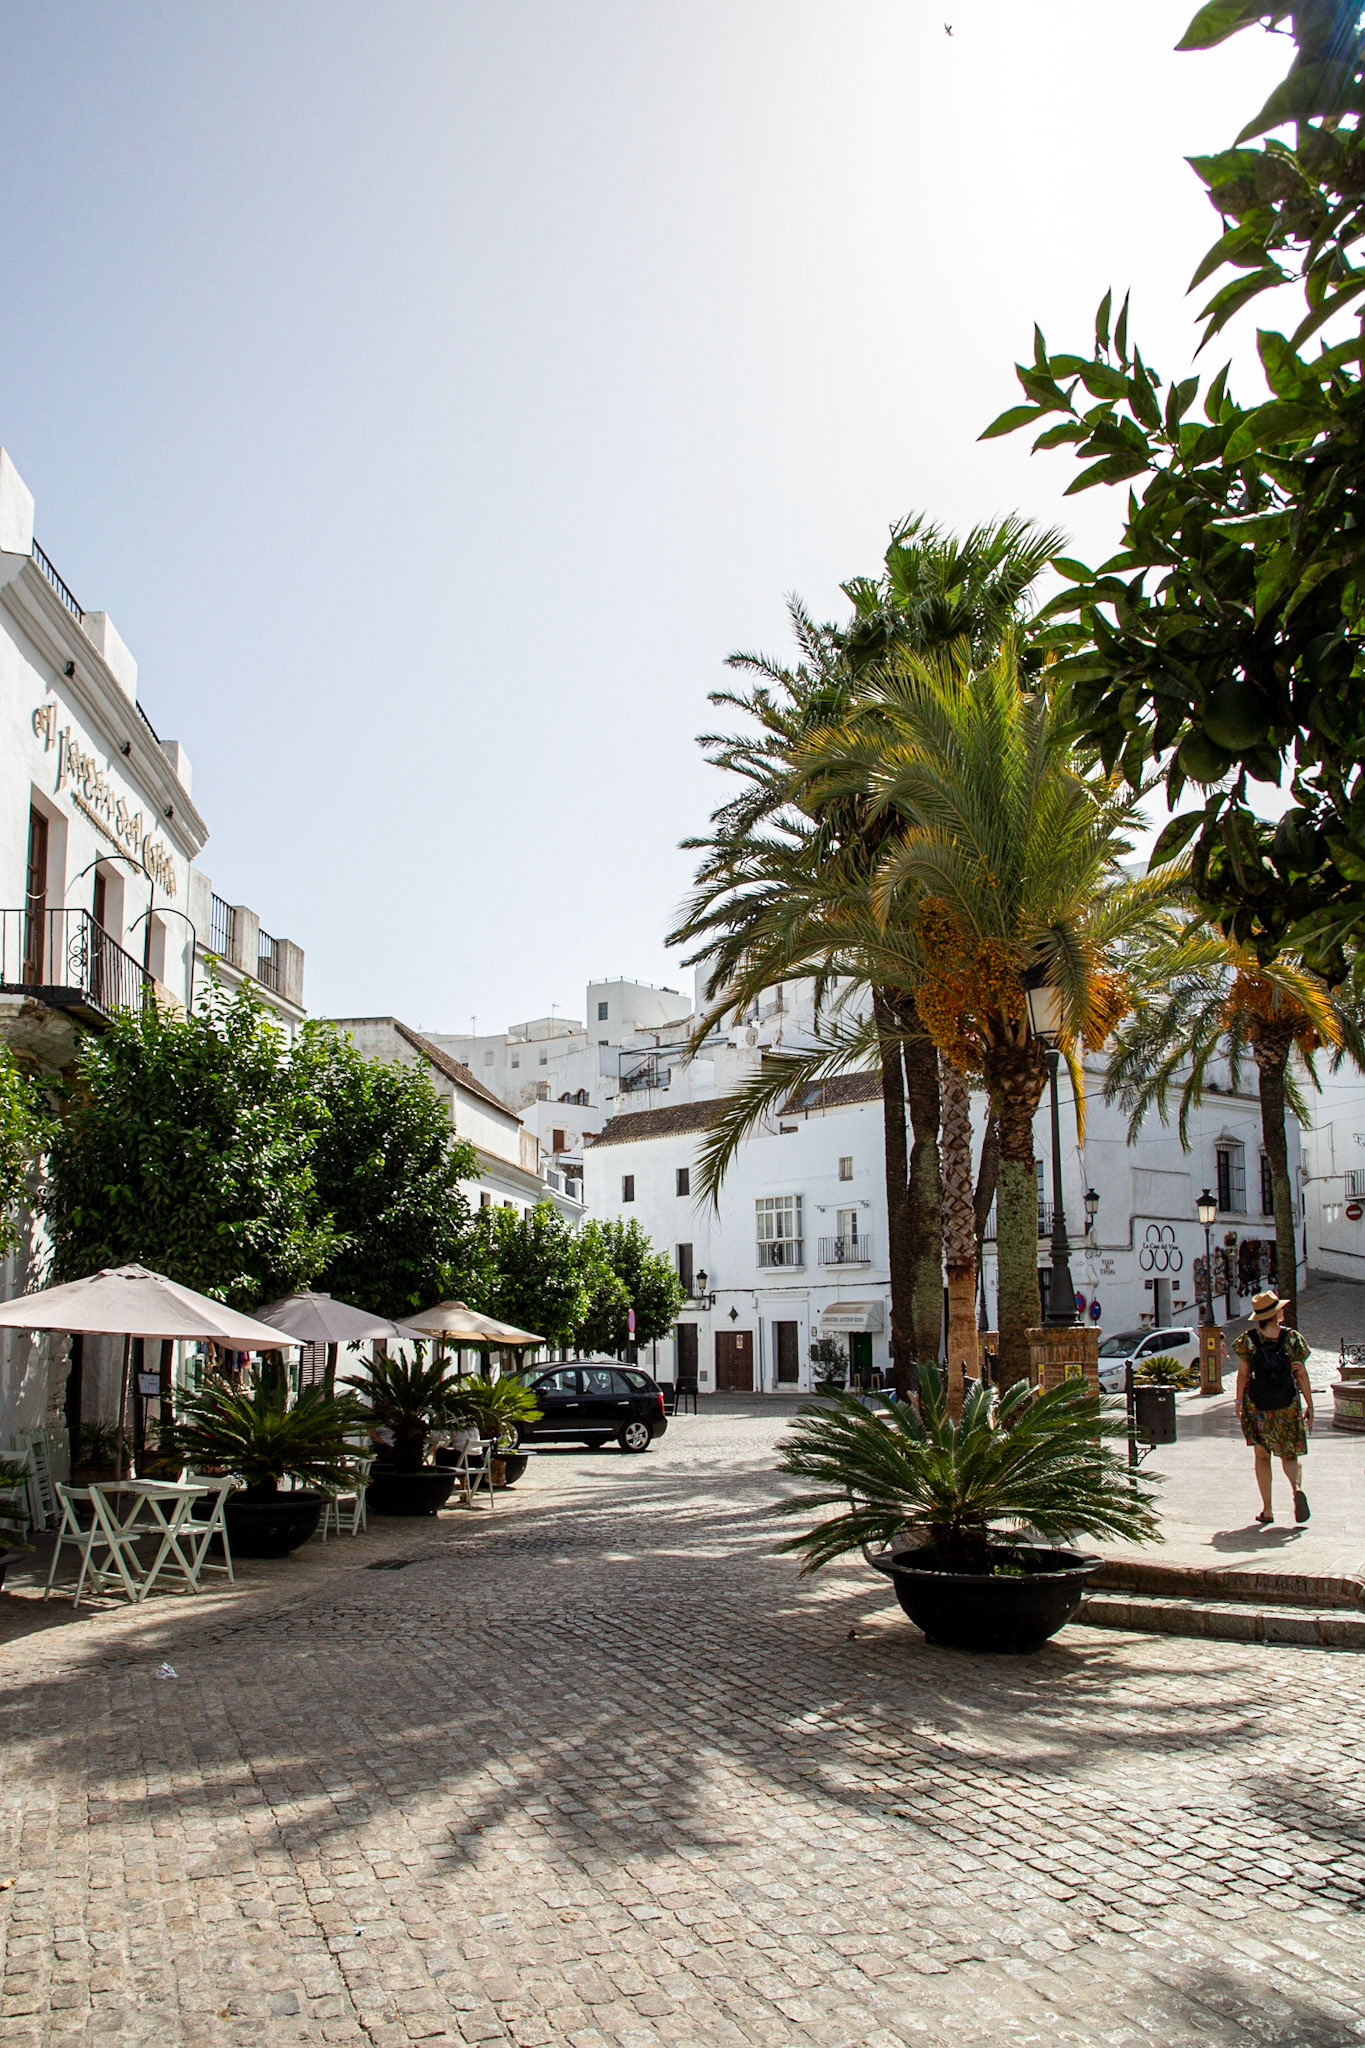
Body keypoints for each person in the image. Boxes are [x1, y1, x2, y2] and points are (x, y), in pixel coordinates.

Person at [1232, 1289, 1314, 1525]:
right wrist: (1309, 1404)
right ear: (1276, 1313)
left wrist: (1238, 1402)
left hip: (1257, 1406)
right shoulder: (1292, 1338)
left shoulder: (1248, 1340)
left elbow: (1242, 1375)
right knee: (1289, 1454)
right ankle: (1296, 1488)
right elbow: (1301, 1374)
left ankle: (1267, 1510)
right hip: (1287, 1404)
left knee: (1262, 1456)